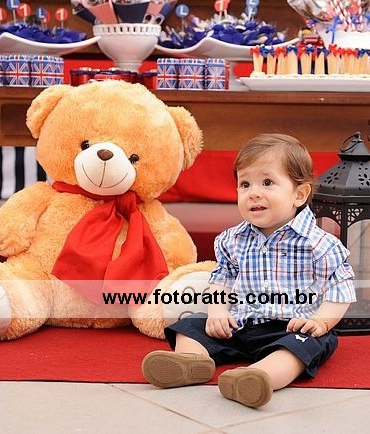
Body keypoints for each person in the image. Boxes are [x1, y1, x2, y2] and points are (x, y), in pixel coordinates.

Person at [141, 133, 356, 408]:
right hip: (240, 325)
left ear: (299, 194)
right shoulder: (232, 240)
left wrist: (321, 322)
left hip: (291, 327)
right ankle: (191, 362)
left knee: (304, 345)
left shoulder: (319, 244)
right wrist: (218, 313)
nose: (253, 192)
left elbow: (340, 288)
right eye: (245, 184)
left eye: (267, 182)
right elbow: (222, 278)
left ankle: (259, 376)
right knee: (190, 325)